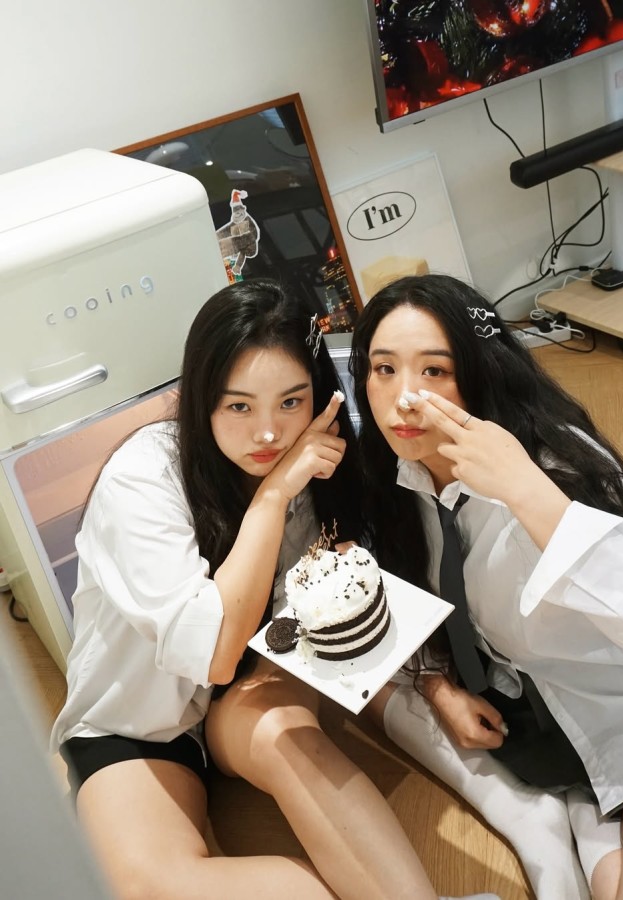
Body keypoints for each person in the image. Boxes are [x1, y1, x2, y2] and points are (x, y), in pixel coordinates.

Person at [51, 278, 498, 900]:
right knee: (148, 886)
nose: (268, 433)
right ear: (200, 398)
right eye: (239, 407)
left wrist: (430, 680)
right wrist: (273, 496)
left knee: (284, 736)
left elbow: (336, 603)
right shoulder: (143, 479)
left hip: (254, 684)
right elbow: (211, 654)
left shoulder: (321, 463)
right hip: (139, 725)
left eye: (291, 402)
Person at [349, 273, 623, 900]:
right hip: (559, 737)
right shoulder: (398, 478)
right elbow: (414, 597)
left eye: (435, 371)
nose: (404, 397)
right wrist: (437, 686)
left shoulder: (552, 464)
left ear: (479, 372)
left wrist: (526, 490)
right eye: (384, 369)